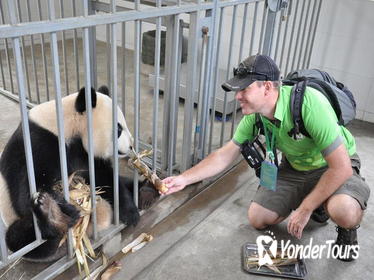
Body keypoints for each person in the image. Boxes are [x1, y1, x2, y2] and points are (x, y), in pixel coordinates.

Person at [162, 54, 370, 262]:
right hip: (296, 166)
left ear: (267, 87)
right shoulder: (255, 116)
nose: (238, 96)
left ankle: (344, 227)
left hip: (332, 166)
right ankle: (317, 199)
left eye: (245, 89)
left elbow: (341, 168)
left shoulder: (309, 105)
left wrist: (305, 209)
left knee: (343, 210)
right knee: (258, 218)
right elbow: (225, 155)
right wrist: (183, 179)